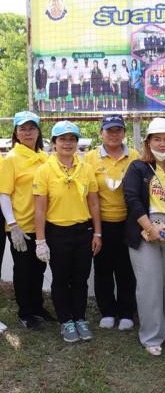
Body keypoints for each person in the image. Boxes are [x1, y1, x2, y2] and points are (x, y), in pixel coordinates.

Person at [123, 118, 165, 356]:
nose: (162, 144)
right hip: (144, 231)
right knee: (149, 284)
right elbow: (131, 199)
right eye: (157, 139)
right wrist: (149, 228)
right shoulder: (137, 167)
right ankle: (151, 336)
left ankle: (162, 329)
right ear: (148, 142)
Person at [33, 121, 102, 343]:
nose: (67, 143)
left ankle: (79, 317)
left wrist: (97, 233)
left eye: (72, 139)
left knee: (81, 278)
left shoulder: (86, 168)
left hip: (83, 231)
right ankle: (66, 321)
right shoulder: (44, 170)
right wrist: (40, 240)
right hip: (57, 232)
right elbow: (40, 208)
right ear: (54, 143)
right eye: (62, 139)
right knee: (61, 278)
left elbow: (94, 203)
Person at [85, 115, 139, 331]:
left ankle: (126, 311)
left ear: (124, 133)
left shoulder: (134, 156)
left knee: (126, 269)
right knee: (103, 268)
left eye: (118, 130)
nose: (114, 134)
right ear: (101, 133)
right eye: (109, 130)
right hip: (101, 223)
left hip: (128, 222)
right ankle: (107, 311)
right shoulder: (90, 158)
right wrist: (95, 231)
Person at [0, 111, 53, 330]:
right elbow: (4, 194)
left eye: (32, 128)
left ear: (39, 131)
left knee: (39, 267)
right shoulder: (12, 159)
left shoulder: (45, 157)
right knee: (23, 270)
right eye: (22, 129)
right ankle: (25, 312)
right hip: (20, 225)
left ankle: (37, 306)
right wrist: (13, 224)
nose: (27, 132)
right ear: (16, 132)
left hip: (42, 225)